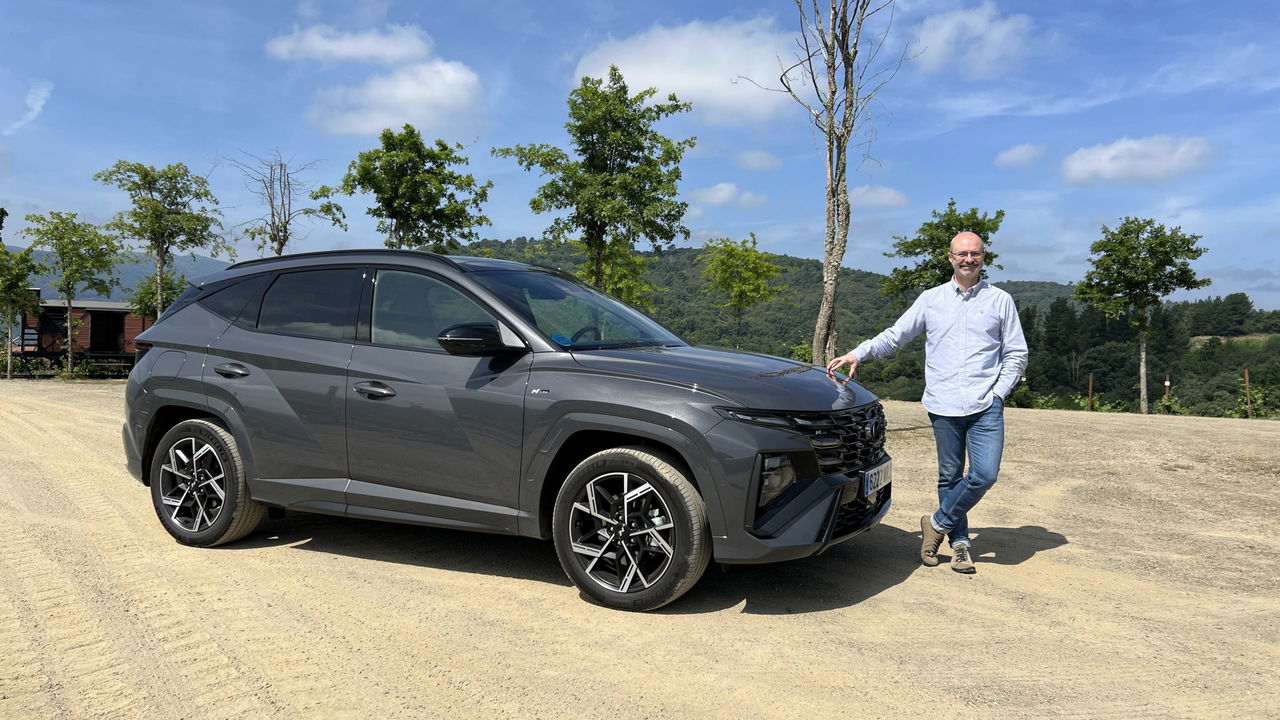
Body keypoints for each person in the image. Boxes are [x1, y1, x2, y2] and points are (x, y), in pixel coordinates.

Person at [826, 231, 1027, 574]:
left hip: (985, 405)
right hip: (943, 403)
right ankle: (960, 543)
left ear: (983, 258)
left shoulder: (1000, 300)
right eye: (961, 254)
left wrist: (998, 394)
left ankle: (935, 522)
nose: (968, 259)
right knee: (950, 475)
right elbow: (896, 335)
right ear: (950, 258)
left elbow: (1016, 354)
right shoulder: (931, 299)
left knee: (984, 474)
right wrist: (859, 352)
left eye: (974, 254)